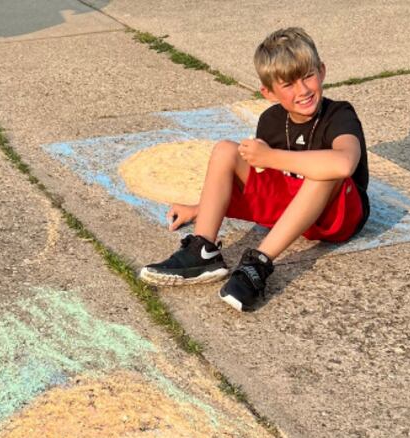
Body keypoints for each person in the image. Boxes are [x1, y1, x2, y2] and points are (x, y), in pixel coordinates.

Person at [139, 27, 370, 312]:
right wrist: (202, 207)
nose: (303, 90)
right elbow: (268, 185)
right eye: (288, 84)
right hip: (294, 211)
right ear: (269, 92)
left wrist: (271, 157)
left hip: (337, 217)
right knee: (226, 149)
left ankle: (258, 264)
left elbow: (344, 163)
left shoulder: (339, 114)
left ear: (321, 71)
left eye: (308, 75)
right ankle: (203, 251)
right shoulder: (271, 121)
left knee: (324, 170)